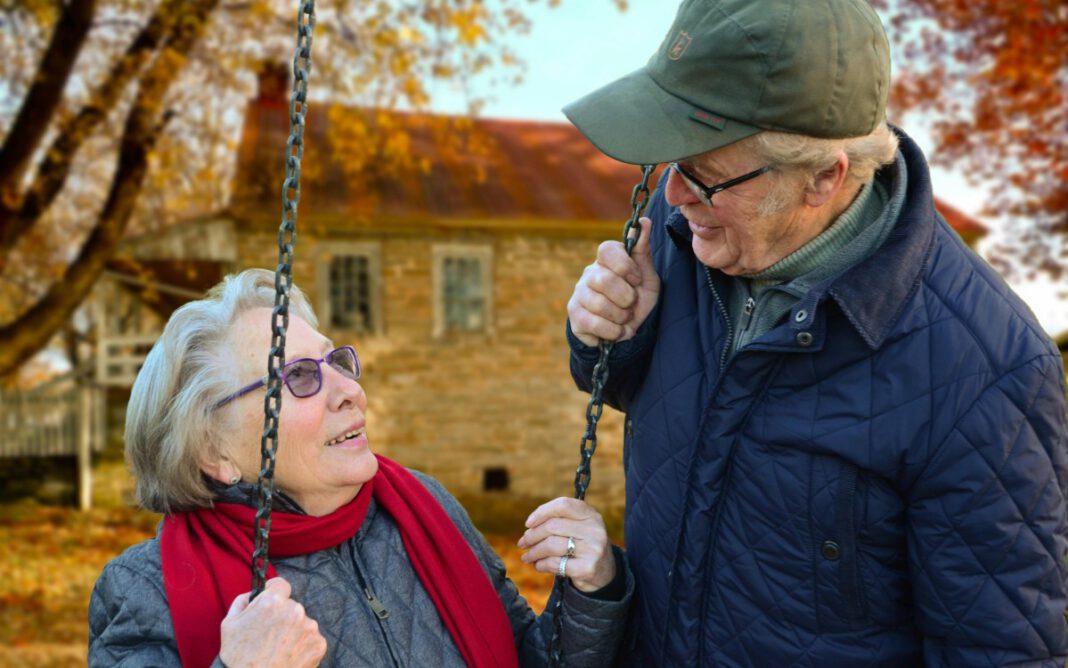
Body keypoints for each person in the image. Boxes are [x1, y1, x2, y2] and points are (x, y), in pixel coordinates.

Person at [562, 0, 1068, 665]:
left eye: (705, 176)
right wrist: (609, 335)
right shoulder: (689, 230)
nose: (675, 194)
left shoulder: (985, 372)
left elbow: (1005, 650)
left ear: (825, 178)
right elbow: (645, 397)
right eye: (670, 161)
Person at [88, 268, 632, 667]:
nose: (349, 390)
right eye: (299, 376)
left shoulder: (423, 507)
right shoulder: (145, 589)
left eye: (337, 362)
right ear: (215, 453)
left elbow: (529, 660)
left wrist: (591, 589)